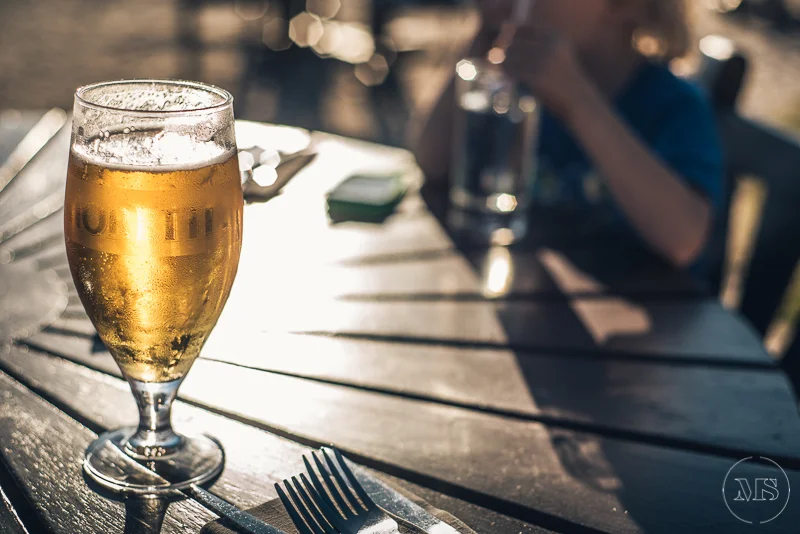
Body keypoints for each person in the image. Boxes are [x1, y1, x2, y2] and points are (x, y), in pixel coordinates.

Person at [412, 0, 723, 273]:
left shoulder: (674, 105)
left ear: (620, 5)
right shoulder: (520, 80)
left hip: (663, 321)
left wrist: (577, 101)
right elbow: (430, 160)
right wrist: (486, 33)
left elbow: (684, 241)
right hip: (541, 300)